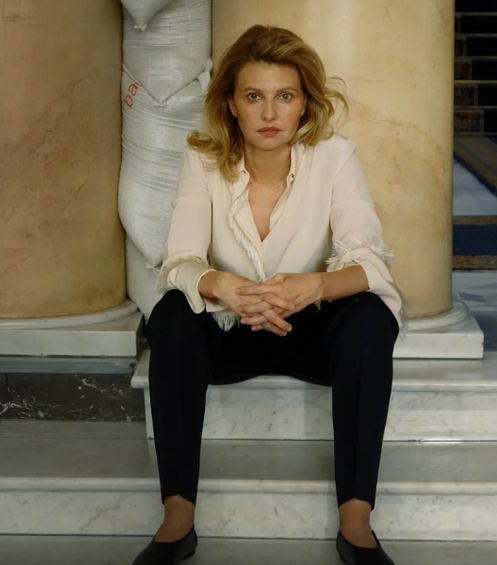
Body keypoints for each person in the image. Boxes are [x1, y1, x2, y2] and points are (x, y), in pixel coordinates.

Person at [132, 24, 406, 565]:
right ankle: (177, 518)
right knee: (170, 315)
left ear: (305, 104)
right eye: (254, 96)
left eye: (285, 96)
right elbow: (180, 262)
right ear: (231, 104)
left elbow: (371, 262)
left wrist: (315, 285)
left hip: (310, 335)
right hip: (229, 333)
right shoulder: (202, 158)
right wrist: (223, 286)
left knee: (371, 317)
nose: (270, 113)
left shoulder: (334, 156)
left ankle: (356, 522)